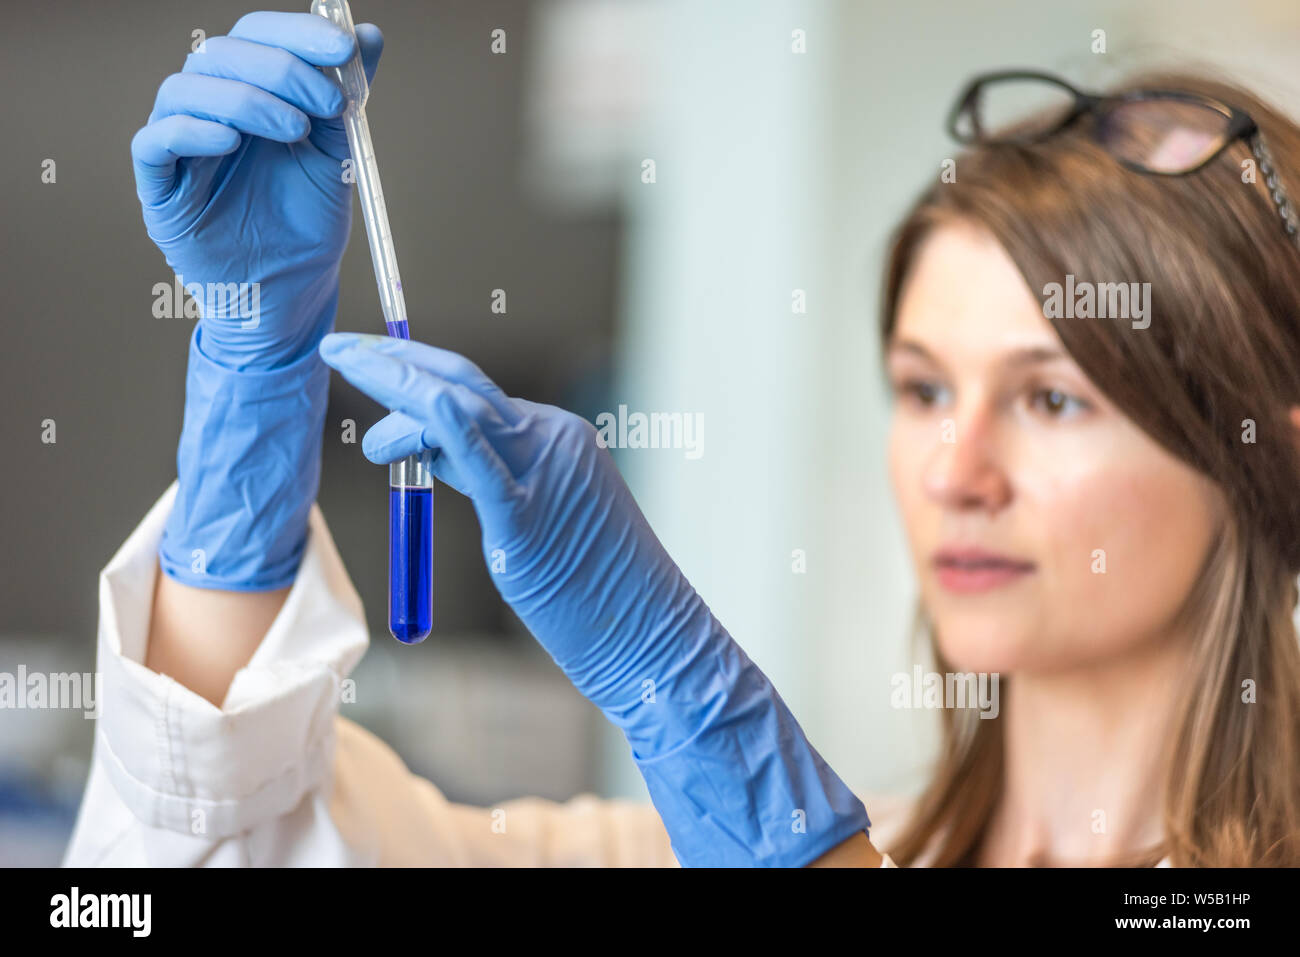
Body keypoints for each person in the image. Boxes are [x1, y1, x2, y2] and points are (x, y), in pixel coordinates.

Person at [64, 13, 1300, 867]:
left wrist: (679, 687)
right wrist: (252, 381)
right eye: (924, 390)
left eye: (1051, 399)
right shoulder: (698, 844)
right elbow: (223, 852)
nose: (952, 472)